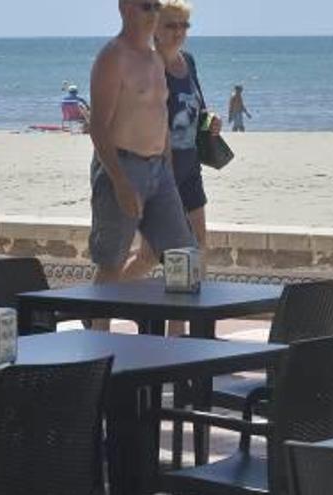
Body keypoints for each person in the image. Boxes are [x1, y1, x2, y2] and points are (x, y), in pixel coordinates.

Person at [88, 0, 197, 331]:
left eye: (155, 7)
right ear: (124, 8)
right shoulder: (113, 57)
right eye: (144, 6)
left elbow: (160, 115)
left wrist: (167, 164)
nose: (151, 14)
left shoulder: (154, 57)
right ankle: (97, 337)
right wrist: (120, 181)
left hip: (158, 170)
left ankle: (178, 341)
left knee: (182, 256)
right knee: (112, 259)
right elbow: (99, 126)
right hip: (122, 165)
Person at [122, 0, 222, 336]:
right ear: (154, 28)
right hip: (159, 172)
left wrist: (211, 121)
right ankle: (97, 301)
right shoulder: (149, 66)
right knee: (151, 256)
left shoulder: (187, 62)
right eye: (170, 26)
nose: (178, 32)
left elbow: (196, 108)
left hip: (190, 167)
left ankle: (178, 332)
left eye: (183, 26)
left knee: (196, 249)